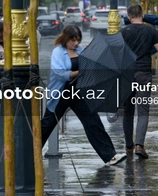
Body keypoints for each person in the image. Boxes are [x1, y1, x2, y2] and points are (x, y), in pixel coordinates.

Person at [41, 25, 126, 166]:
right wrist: (81, 71)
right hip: (61, 93)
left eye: (78, 40)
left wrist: (90, 55)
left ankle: (110, 155)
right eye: (73, 40)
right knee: (47, 125)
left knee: (93, 123)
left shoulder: (80, 50)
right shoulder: (58, 52)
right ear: (66, 38)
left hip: (79, 93)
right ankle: (30, 152)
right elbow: (61, 75)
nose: (76, 43)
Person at [121, 4, 158, 159]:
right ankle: (139, 145)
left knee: (128, 111)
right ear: (142, 15)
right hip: (144, 74)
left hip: (126, 75)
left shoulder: (123, 32)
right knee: (143, 111)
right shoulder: (151, 31)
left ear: (129, 17)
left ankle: (128, 146)